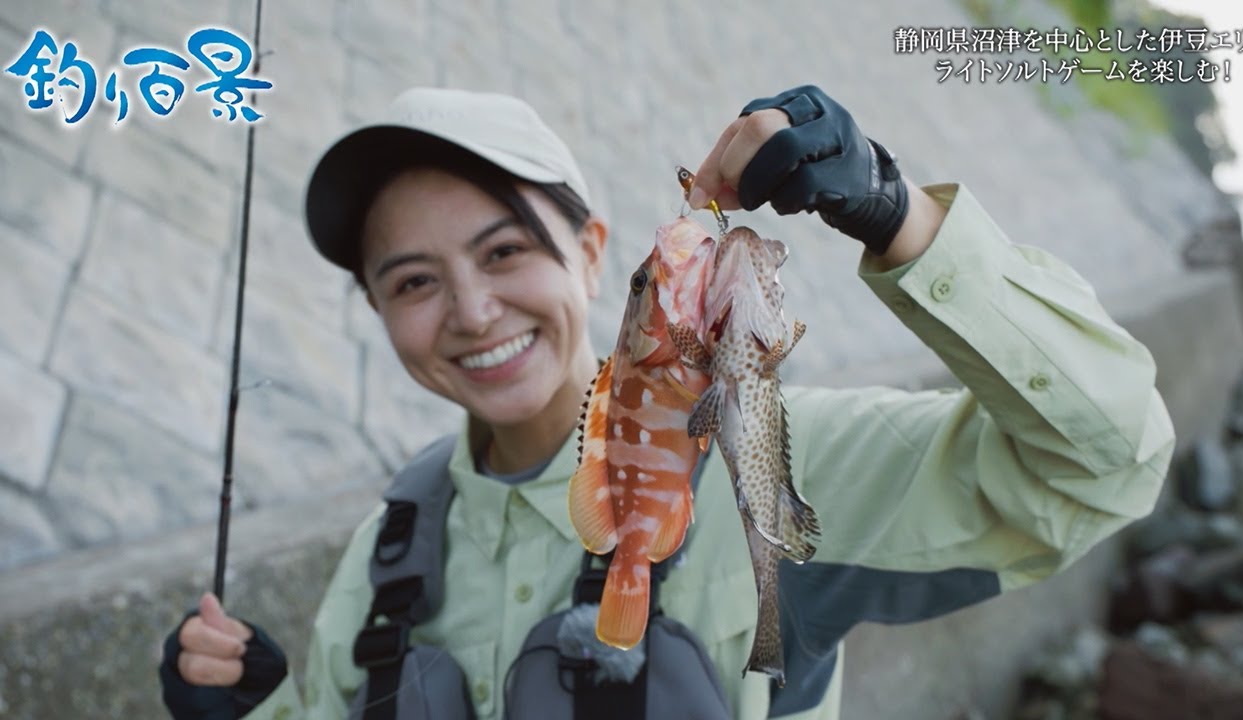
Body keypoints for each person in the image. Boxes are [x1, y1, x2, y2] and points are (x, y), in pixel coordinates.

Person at [159, 84, 1175, 719]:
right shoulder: (392, 543)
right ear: (378, 310)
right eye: (414, 281)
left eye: (504, 251)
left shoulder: (771, 461)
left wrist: (894, 211)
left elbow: (1100, 468)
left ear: (591, 252)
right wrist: (254, 709)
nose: (471, 311)